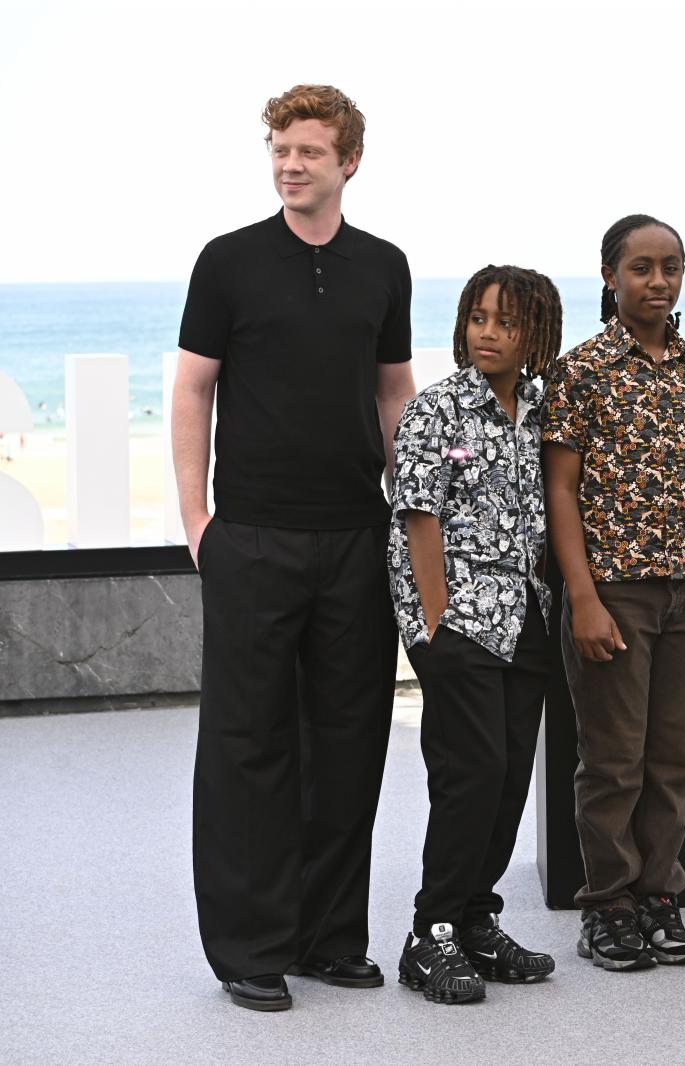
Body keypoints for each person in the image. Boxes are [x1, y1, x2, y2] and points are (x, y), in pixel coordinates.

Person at [172, 84, 415, 1011]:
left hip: (357, 535)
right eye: (280, 148)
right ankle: (248, 947)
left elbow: (394, 393)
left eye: (309, 150)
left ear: (349, 160)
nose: (289, 164)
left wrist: (407, 512)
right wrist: (199, 523)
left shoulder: (382, 267)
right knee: (248, 744)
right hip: (256, 539)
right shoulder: (228, 262)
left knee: (349, 741)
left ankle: (326, 938)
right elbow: (193, 390)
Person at [541, 214, 685, 971]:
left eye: (671, 268)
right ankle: (609, 906)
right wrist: (583, 597)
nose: (657, 282)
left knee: (674, 759)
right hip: (615, 593)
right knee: (613, 759)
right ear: (610, 278)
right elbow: (560, 491)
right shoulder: (581, 372)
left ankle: (660, 897)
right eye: (641, 269)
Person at [388, 265, 563, 1004]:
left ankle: (475, 919)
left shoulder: (539, 407)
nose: (487, 333)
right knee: (470, 775)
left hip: (526, 613)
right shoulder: (437, 410)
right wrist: (435, 622)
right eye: (478, 318)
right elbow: (417, 516)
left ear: (535, 335)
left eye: (506, 321)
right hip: (457, 618)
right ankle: (429, 937)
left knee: (508, 776)